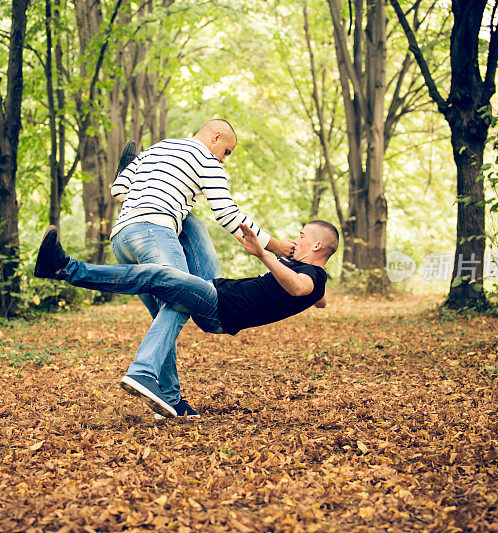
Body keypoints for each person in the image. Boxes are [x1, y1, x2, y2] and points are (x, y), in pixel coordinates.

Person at [34, 219, 339, 418]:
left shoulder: (307, 279)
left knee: (158, 276)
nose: (295, 240)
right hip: (216, 285)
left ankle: (64, 268)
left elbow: (302, 289)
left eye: (301, 237)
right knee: (193, 225)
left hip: (219, 309)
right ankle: (144, 188)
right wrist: (302, 270)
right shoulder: (316, 278)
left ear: (316, 246)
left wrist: (264, 254)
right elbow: (321, 300)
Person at [108, 120, 296, 418]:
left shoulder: (157, 149)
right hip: (154, 231)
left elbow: (119, 191)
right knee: (185, 297)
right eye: (227, 151)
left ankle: (169, 399)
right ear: (215, 137)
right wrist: (274, 245)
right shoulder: (206, 159)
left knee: (165, 314)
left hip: (121, 239)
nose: (224, 158)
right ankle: (142, 370)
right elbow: (226, 212)